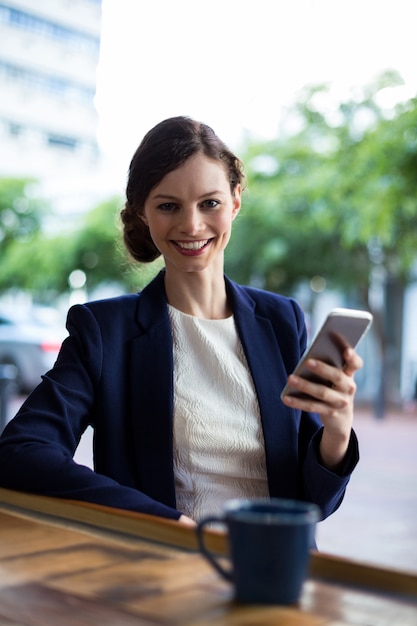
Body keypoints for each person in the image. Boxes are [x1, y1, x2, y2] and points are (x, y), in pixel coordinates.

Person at [0, 116, 362, 528]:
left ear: (236, 201)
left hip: (273, 566)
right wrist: (165, 523)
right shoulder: (103, 331)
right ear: (142, 213)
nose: (191, 225)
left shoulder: (282, 321)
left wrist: (336, 431)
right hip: (163, 569)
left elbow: (313, 504)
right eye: (168, 206)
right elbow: (20, 451)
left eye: (210, 203)